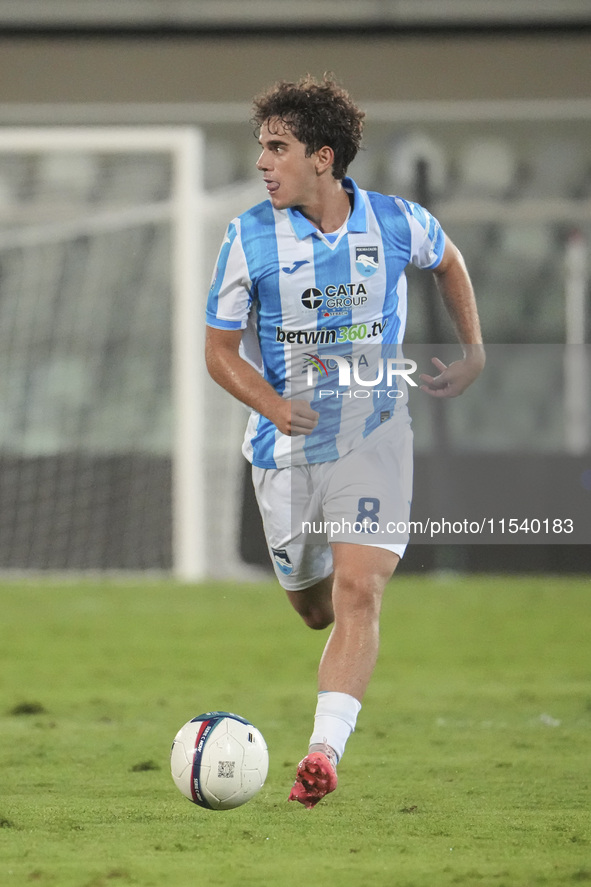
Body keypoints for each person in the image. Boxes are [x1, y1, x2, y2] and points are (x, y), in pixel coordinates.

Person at [205, 74, 485, 809]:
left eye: (278, 148)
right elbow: (218, 350)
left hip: (374, 432)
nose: (262, 163)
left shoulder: (395, 223)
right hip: (284, 453)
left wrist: (474, 349)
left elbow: (448, 260)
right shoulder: (246, 237)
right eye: (260, 148)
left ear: (323, 157)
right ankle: (312, 596)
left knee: (360, 589)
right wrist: (270, 404)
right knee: (315, 606)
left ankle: (323, 752)